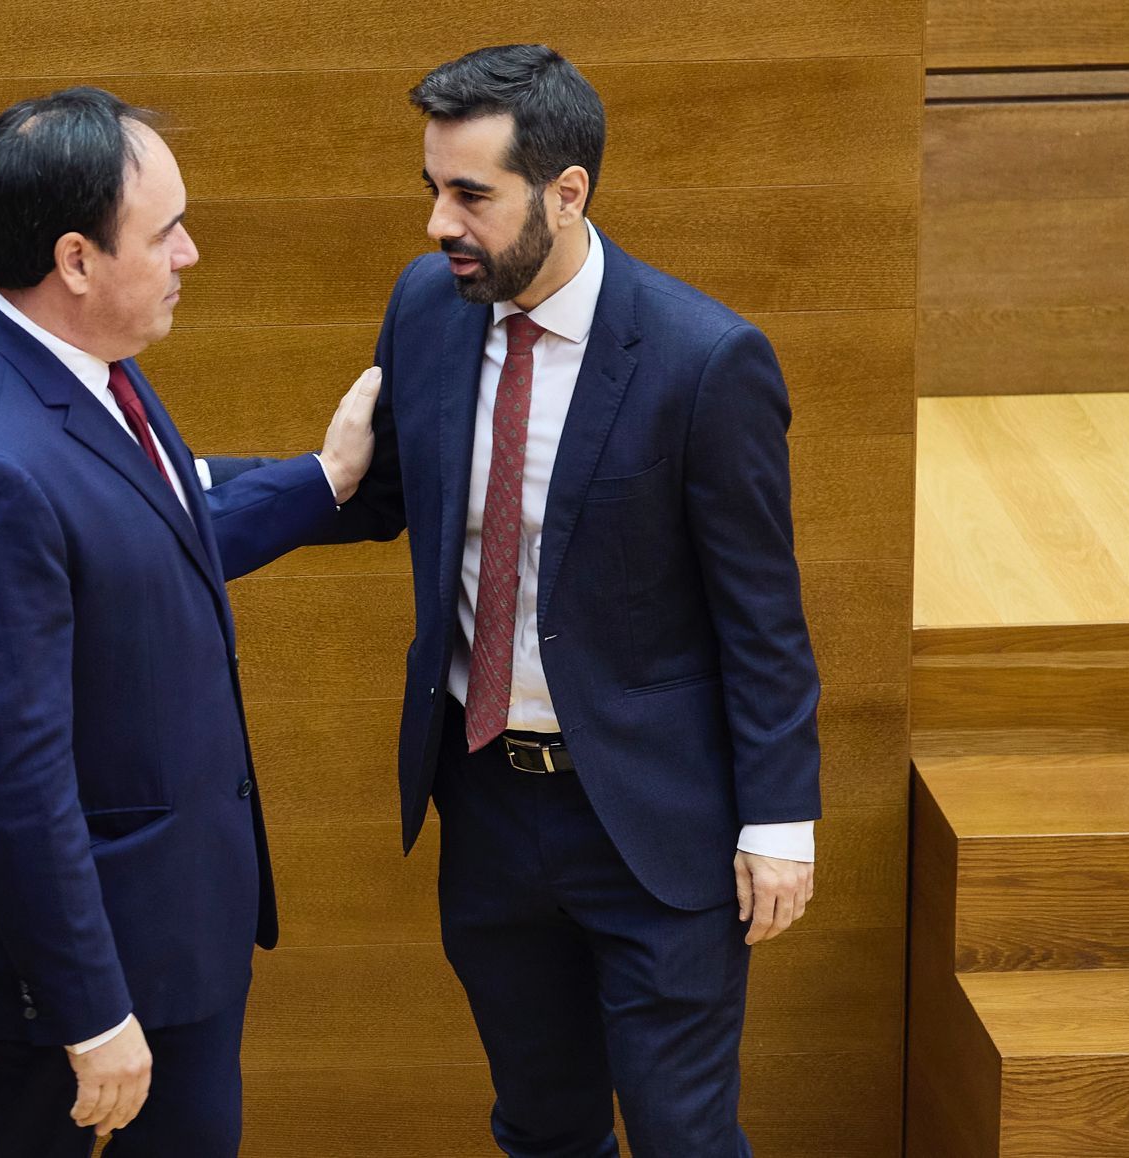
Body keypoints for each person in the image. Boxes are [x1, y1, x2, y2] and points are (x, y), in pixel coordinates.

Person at [325, 45, 822, 1156]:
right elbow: (385, 491)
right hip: (490, 805)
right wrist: (203, 497)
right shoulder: (427, 308)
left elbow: (762, 616)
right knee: (541, 1125)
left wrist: (779, 822)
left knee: (680, 1133)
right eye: (432, 191)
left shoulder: (703, 360)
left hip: (654, 822)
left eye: (470, 196)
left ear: (566, 192)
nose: (438, 227)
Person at [0, 86, 378, 1157]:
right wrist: (91, 1011)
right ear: (75, 260)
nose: (190, 253)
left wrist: (328, 480)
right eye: (166, 232)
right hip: (73, 978)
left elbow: (150, 530)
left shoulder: (71, 368)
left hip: (169, 930)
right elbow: (12, 776)